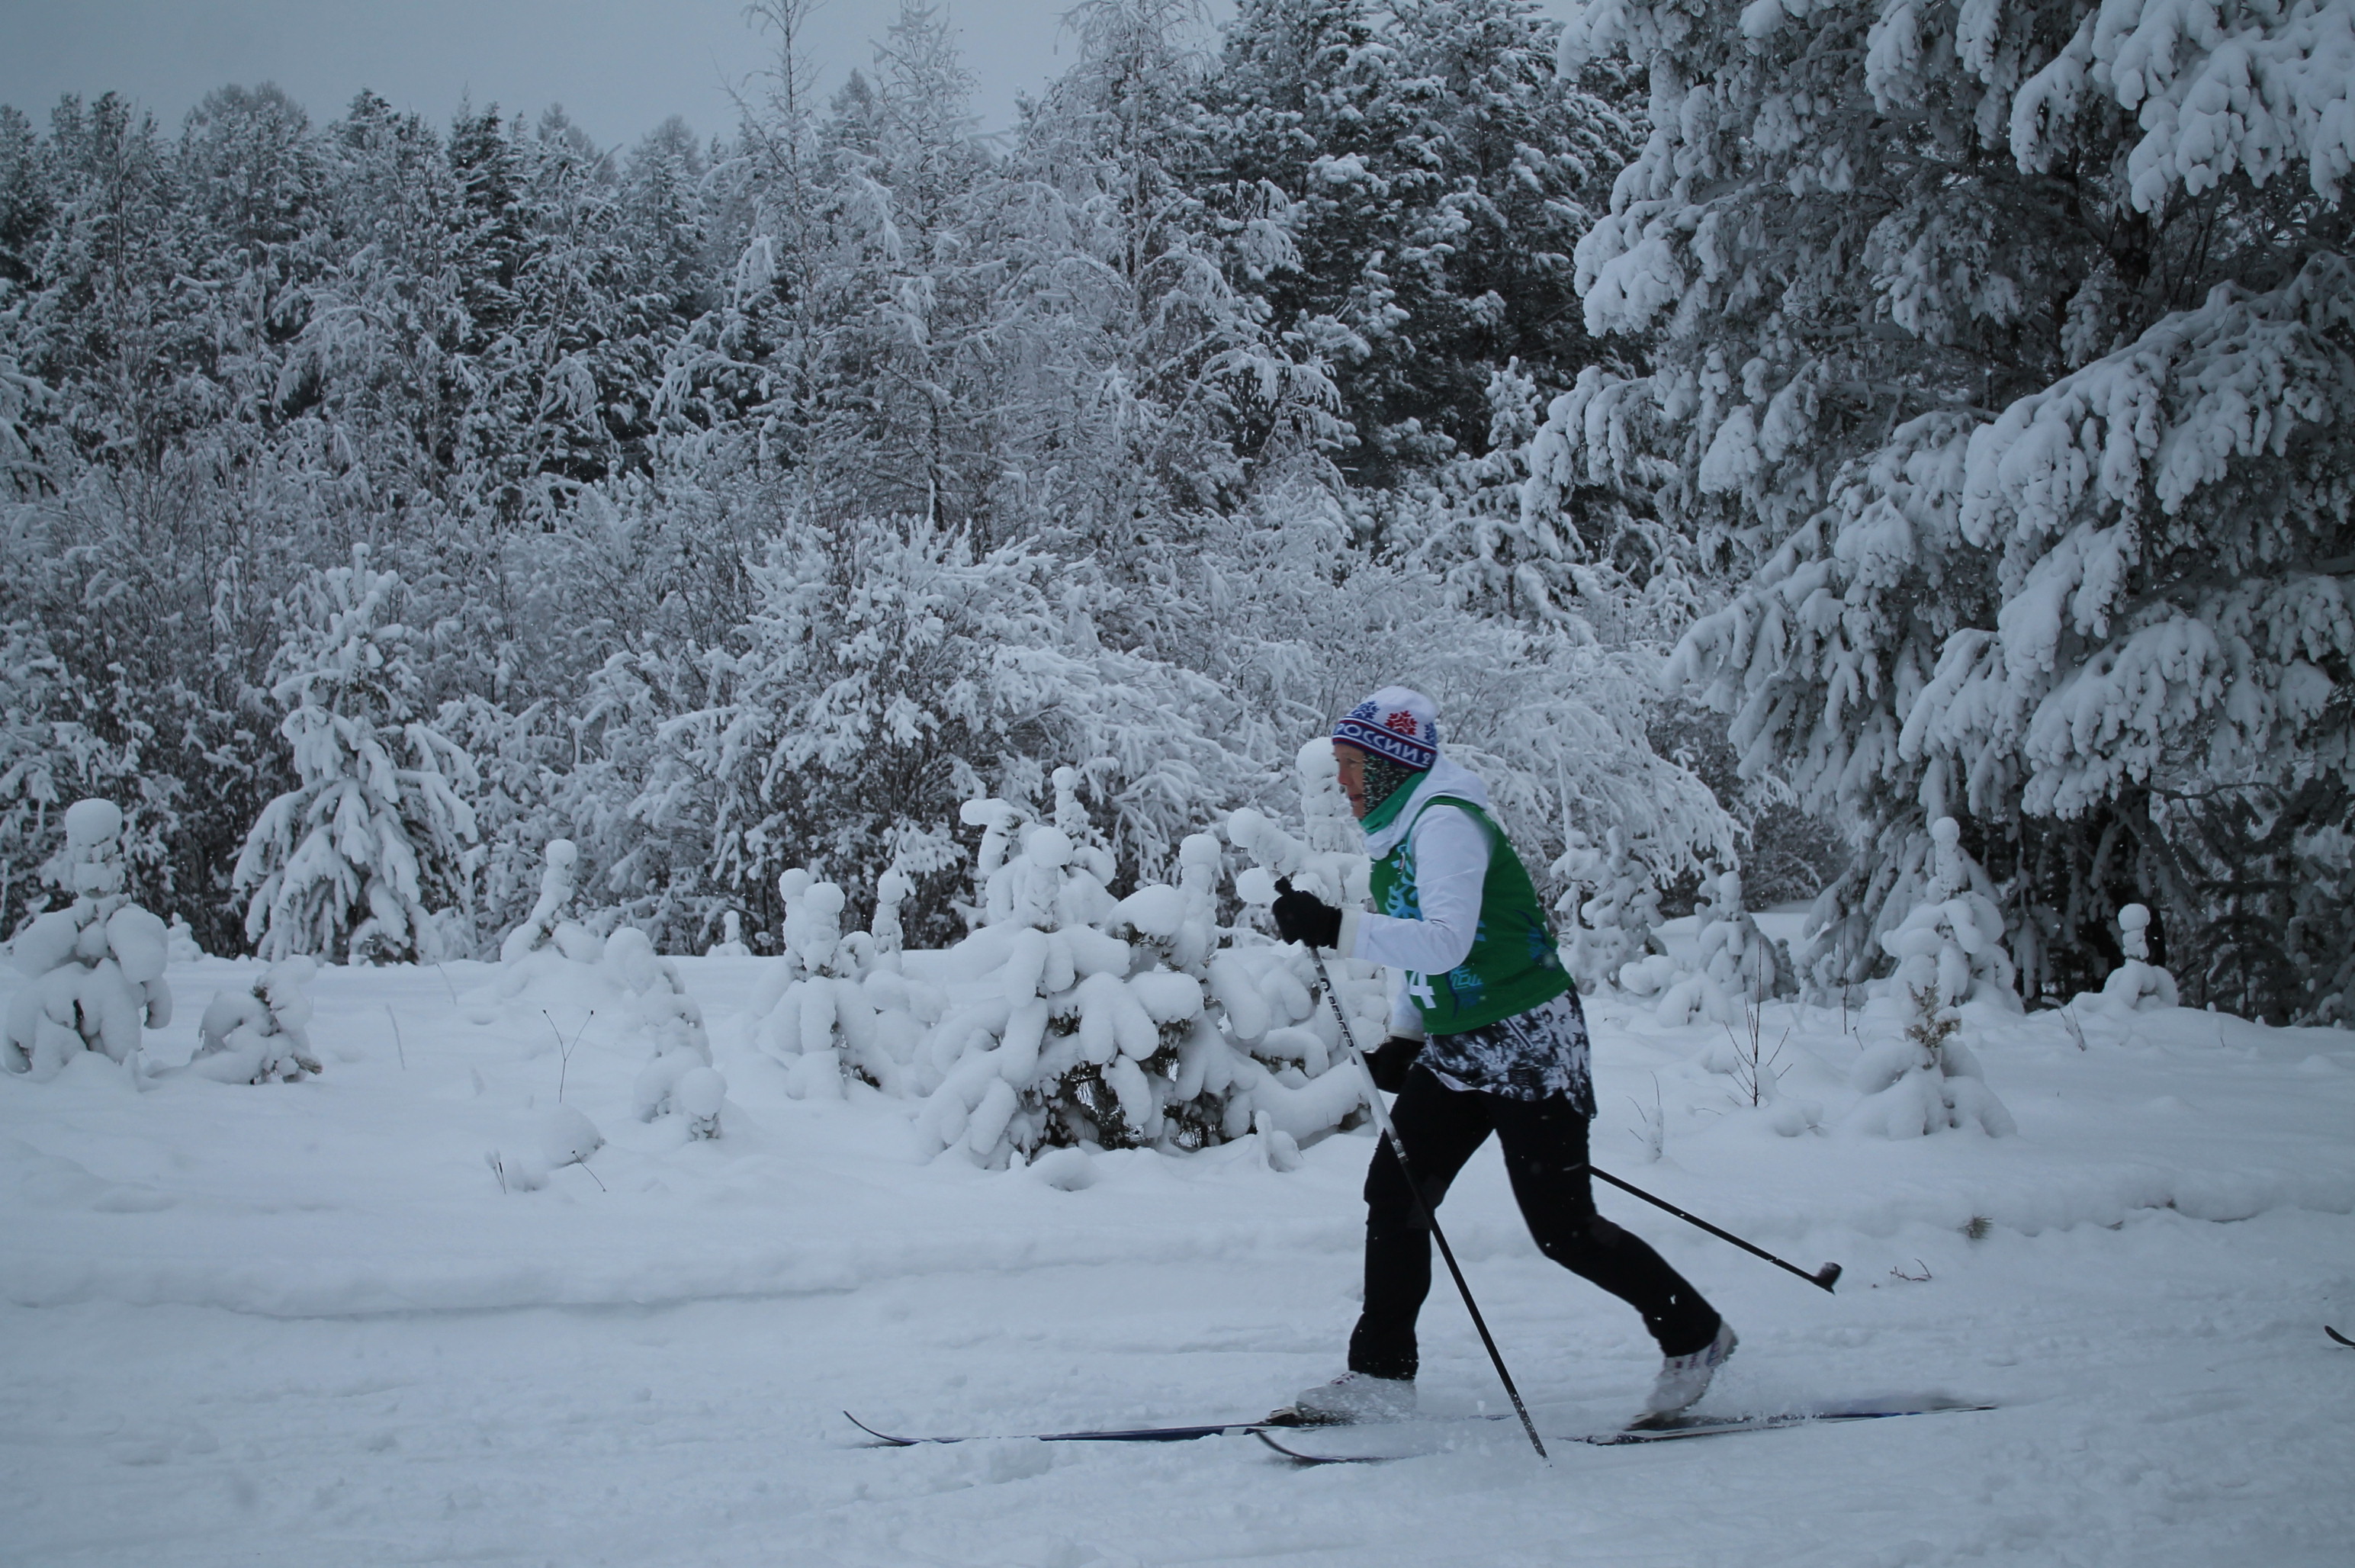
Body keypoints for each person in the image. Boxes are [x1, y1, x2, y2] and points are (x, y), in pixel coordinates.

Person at [1268, 686, 1735, 1425]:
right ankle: (1381, 1377)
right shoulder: (1400, 830)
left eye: (1354, 765)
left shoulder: (1447, 822)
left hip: (1527, 1044)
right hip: (1458, 1051)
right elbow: (1424, 950)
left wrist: (1334, 926)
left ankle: (1695, 1335)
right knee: (1397, 1193)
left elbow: (1446, 938)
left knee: (1562, 1227)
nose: (1344, 782)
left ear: (1391, 765)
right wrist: (1407, 1035)